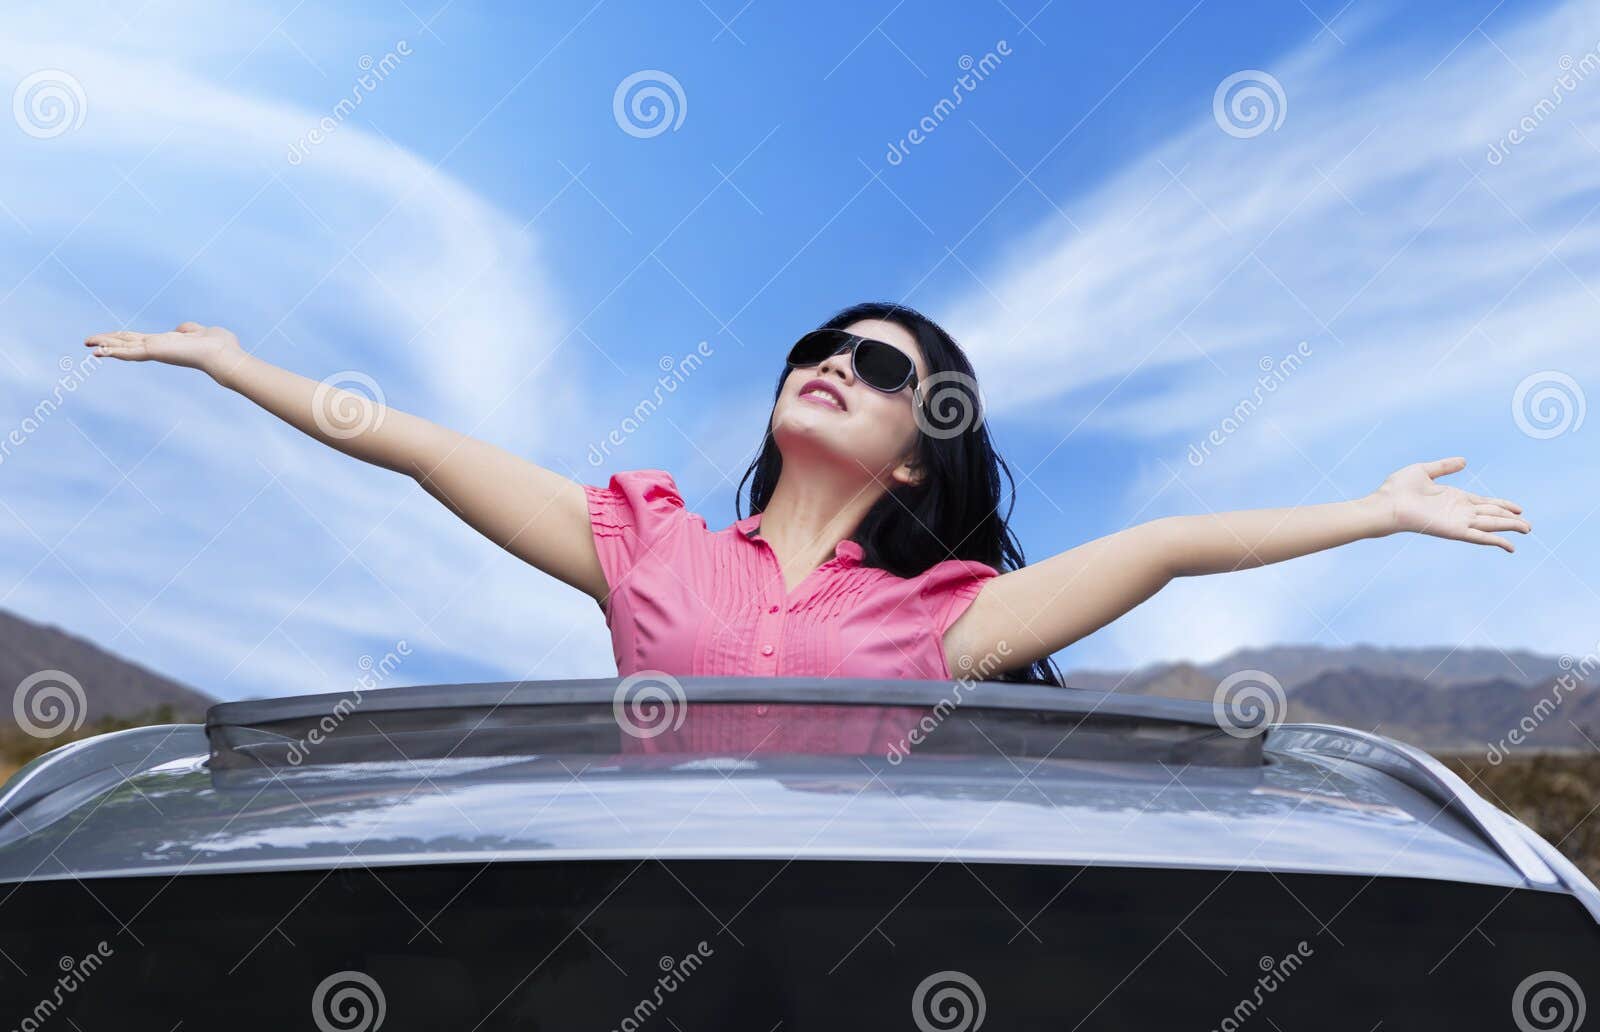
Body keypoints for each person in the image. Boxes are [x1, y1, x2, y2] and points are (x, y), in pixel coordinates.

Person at [83, 301, 1529, 754]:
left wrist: (1377, 511)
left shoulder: (942, 617)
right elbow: (406, 445)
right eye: (822, 346)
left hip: (856, 951)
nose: (835, 363)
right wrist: (234, 362)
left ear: (919, 454)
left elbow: (1161, 544)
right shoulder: (646, 543)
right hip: (639, 929)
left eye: (883, 369)